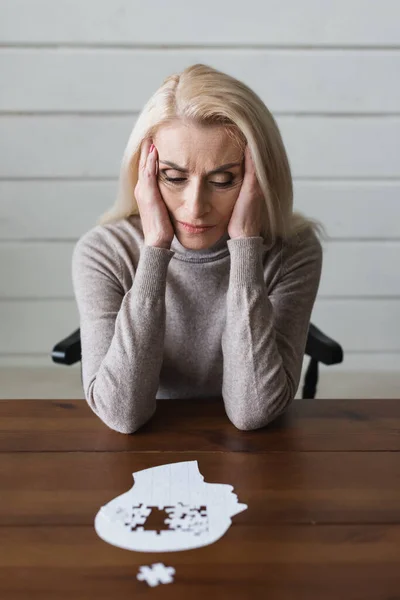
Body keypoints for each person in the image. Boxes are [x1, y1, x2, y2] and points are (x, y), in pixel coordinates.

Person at [72, 63, 326, 435]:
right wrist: (155, 248)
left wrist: (244, 248)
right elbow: (121, 414)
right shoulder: (103, 252)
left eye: (223, 180)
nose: (195, 206)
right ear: (145, 174)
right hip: (146, 448)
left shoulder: (294, 251)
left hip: (254, 456)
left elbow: (252, 411)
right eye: (173, 178)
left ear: (260, 178)